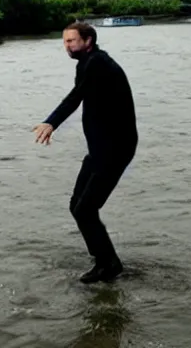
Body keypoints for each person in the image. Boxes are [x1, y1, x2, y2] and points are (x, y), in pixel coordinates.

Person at [32, 21, 138, 284]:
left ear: (88, 41)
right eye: (64, 42)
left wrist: (51, 122)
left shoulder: (98, 64)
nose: (66, 47)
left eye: (71, 41)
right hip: (100, 148)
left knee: (85, 209)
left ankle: (109, 265)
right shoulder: (88, 63)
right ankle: (101, 255)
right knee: (77, 204)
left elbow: (75, 97)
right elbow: (80, 95)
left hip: (114, 148)